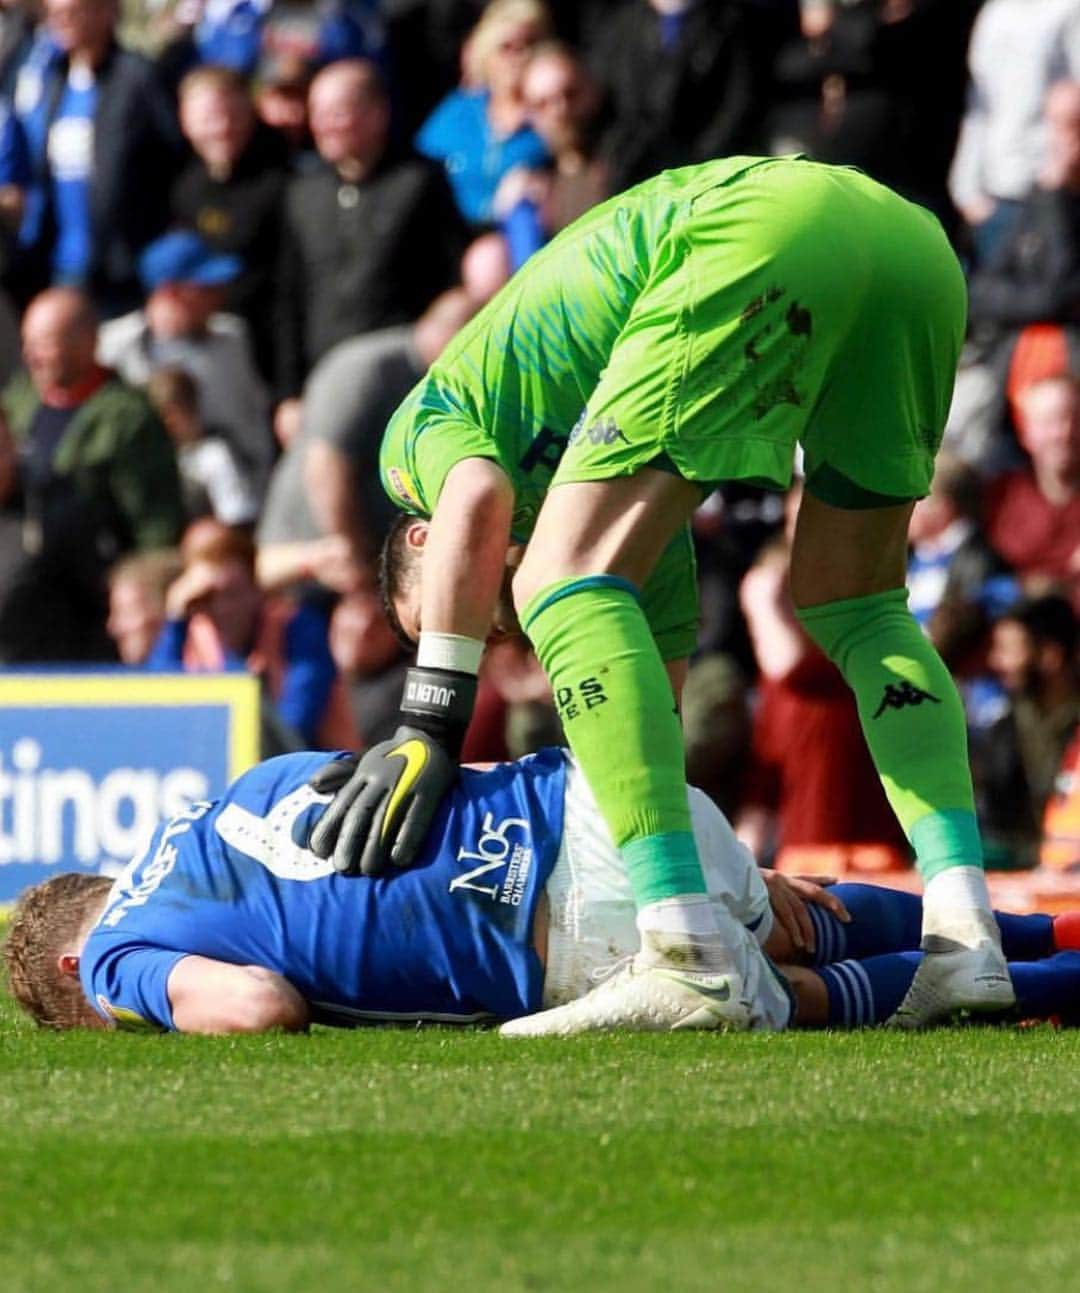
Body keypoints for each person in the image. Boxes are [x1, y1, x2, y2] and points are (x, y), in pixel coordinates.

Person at [310, 154, 1013, 1035]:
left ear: (421, 537)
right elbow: (646, 755)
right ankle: (965, 942)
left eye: (458, 617)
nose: (496, 627)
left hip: (759, 228)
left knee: (559, 575)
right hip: (911, 246)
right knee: (857, 604)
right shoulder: (631, 519)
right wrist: (726, 881)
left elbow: (477, 499)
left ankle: (688, 966)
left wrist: (429, 718)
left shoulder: (417, 438)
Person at [8, 745, 1080, 1034]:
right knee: (789, 906)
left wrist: (157, 1006)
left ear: (75, 965)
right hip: (592, 798)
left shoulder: (115, 956)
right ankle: (1053, 929)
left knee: (779, 992)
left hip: (564, 930)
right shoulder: (230, 796)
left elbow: (254, 1008)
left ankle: (1061, 978)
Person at [272, 57, 469, 439]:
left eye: (339, 112)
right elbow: (287, 301)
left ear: (377, 113)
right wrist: (288, 395)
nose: (326, 124)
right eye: (318, 112)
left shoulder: (419, 183)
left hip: (401, 382)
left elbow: (451, 281)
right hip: (320, 386)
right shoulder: (301, 194)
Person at [9, 0, 183, 314]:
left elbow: (173, 157)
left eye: (73, 12)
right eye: (55, 14)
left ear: (106, 12)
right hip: (59, 262)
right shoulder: (53, 80)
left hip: (123, 266)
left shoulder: (137, 79)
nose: (62, 21)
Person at [97, 229, 274, 500]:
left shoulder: (233, 338)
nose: (219, 293)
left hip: (238, 492)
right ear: (170, 292)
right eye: (204, 286)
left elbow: (255, 423)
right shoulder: (113, 348)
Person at [171, 63, 292, 383]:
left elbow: (288, 291)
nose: (222, 129)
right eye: (209, 120)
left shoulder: (280, 183)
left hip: (265, 351)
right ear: (186, 122)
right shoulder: (186, 187)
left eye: (233, 116)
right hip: (205, 354)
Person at [415, 0, 551, 229]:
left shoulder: (555, 111)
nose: (519, 56)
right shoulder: (459, 113)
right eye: (507, 47)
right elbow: (419, 173)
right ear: (486, 52)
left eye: (530, 44)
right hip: (459, 236)